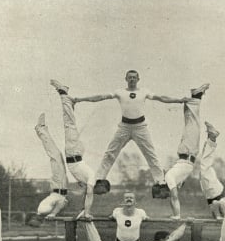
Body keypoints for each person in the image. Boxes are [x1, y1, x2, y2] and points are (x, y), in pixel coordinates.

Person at [72, 70, 193, 198]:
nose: (132, 80)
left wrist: (179, 100)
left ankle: (161, 184)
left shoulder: (144, 92)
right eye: (129, 77)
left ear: (138, 79)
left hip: (140, 127)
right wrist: (80, 99)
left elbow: (161, 98)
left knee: (151, 154)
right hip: (124, 127)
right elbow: (101, 97)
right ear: (126, 79)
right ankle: (99, 181)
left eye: (134, 78)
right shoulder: (120, 92)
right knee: (110, 152)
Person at [49, 79, 96, 220]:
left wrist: (83, 211)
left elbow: (82, 195)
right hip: (74, 152)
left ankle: (69, 103)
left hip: (76, 153)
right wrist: (87, 212)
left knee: (72, 125)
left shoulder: (86, 180)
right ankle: (64, 94)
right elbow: (89, 195)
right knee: (69, 124)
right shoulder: (92, 178)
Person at [164, 83, 211, 219]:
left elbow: (174, 197)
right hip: (187, 154)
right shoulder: (171, 179)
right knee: (191, 124)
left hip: (187, 153)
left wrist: (176, 215)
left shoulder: (169, 179)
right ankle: (196, 96)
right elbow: (173, 194)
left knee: (192, 124)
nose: (166, 195)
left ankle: (196, 96)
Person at [27, 114, 70, 227]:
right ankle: (42, 129)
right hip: (60, 187)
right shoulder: (44, 212)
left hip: (58, 185)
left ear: (34, 217)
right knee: (56, 155)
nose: (39, 222)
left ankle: (40, 129)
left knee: (55, 155)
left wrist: (54, 214)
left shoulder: (42, 210)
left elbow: (61, 202)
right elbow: (62, 202)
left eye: (35, 221)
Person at [199, 121, 225, 220]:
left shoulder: (222, 206)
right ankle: (212, 137)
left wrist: (217, 215)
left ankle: (211, 137)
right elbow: (216, 204)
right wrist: (217, 216)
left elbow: (215, 205)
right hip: (214, 192)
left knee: (204, 163)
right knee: (204, 166)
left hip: (212, 192)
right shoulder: (224, 206)